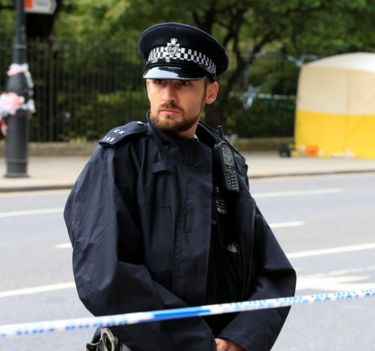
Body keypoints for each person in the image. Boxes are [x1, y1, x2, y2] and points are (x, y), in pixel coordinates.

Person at [64, 22, 296, 351]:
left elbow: (274, 272)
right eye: (159, 82)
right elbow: (105, 275)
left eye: (183, 84)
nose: (168, 95)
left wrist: (240, 338)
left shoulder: (226, 165)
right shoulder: (121, 158)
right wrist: (196, 344)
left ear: (210, 92)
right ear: (147, 85)